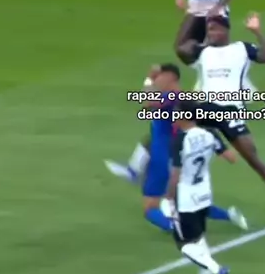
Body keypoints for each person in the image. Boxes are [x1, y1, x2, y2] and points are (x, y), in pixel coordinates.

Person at [176, 13, 265, 225]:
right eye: (209, 29)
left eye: (215, 29)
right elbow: (181, 49)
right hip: (206, 107)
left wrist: (257, 32)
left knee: (254, 159)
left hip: (231, 110)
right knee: (173, 131)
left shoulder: (242, 49)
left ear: (226, 30)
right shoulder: (203, 52)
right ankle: (162, 191)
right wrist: (195, 16)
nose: (211, 33)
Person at [104, 64, 248, 235]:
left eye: (160, 76)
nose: (157, 80)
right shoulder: (186, 101)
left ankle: (176, 228)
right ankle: (228, 215)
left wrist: (149, 79)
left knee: (150, 208)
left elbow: (148, 103)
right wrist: (222, 148)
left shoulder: (171, 97)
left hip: (162, 158)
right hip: (179, 155)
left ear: (170, 78)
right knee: (189, 202)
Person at [166, 113, 230, 274]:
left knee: (185, 245)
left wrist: (169, 196)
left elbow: (176, 173)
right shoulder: (210, 133)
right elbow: (231, 157)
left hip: (186, 199)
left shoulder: (180, 140)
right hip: (204, 195)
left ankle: (218, 269)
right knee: (200, 241)